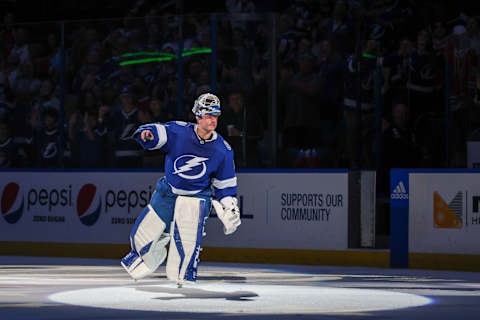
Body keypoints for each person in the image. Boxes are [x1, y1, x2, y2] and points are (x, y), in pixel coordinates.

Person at [121, 93, 241, 285]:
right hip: (168, 194)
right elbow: (158, 132)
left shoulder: (223, 150)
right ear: (198, 116)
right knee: (141, 240)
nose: (213, 120)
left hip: (195, 200)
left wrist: (229, 207)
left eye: (216, 115)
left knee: (182, 263)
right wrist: (147, 134)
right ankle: (155, 253)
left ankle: (184, 275)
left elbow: (224, 186)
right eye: (208, 115)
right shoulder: (179, 131)